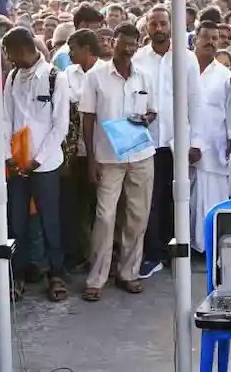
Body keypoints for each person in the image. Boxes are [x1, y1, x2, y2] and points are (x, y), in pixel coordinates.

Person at [79, 23, 157, 302]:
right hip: (107, 157)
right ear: (113, 42)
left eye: (133, 44)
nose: (128, 49)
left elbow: (152, 112)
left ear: (137, 46)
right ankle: (96, 277)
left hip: (140, 155)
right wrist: (90, 160)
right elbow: (87, 118)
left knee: (137, 216)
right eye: (123, 43)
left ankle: (128, 273)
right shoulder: (96, 76)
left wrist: (145, 120)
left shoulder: (144, 76)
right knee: (105, 216)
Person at [1, 27, 70, 302]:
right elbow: (5, 118)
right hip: (17, 163)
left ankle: (56, 273)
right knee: (16, 221)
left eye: (9, 53)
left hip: (45, 164)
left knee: (49, 220)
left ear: (21, 50)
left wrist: (36, 161)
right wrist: (9, 156)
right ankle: (17, 275)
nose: (7, 58)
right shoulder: (13, 77)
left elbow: (60, 127)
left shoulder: (55, 77)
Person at [133, 6, 201, 279]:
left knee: (178, 198)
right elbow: (136, 96)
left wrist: (195, 140)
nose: (159, 29)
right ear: (147, 27)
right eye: (154, 24)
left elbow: (194, 101)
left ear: (171, 25)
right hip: (148, 141)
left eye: (163, 23)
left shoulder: (187, 58)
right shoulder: (138, 58)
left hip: (178, 140)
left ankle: (178, 252)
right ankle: (153, 254)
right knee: (150, 201)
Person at [60, 28, 103, 272]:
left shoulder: (105, 72)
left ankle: (101, 255)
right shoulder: (67, 74)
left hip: (100, 151)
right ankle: (80, 253)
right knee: (76, 207)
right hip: (74, 152)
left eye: (73, 48)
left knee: (101, 207)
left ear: (86, 49)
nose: (69, 53)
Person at [189, 21, 231, 252]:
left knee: (213, 194)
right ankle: (189, 245)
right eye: (206, 37)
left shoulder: (224, 74)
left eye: (215, 38)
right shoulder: (182, 66)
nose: (210, 42)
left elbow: (229, 110)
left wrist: (230, 141)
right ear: (195, 39)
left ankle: (210, 246)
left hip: (215, 144)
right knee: (187, 197)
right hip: (182, 143)